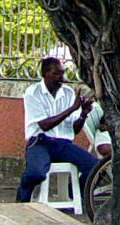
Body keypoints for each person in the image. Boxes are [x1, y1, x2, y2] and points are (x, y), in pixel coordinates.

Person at [16, 55, 100, 203]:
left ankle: (72, 194)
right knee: (36, 173)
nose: (61, 77)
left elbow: (74, 130)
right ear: (45, 74)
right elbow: (44, 125)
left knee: (95, 168)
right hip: (40, 142)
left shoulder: (67, 93)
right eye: (56, 73)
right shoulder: (33, 92)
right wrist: (72, 108)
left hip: (63, 143)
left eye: (62, 73)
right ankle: (22, 202)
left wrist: (83, 115)